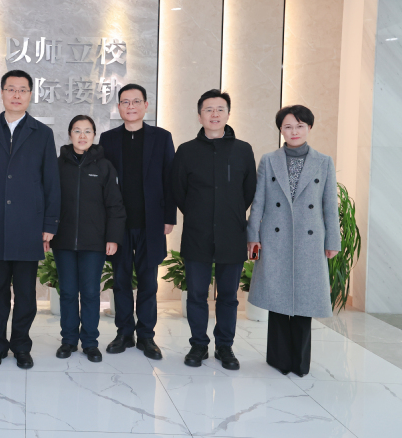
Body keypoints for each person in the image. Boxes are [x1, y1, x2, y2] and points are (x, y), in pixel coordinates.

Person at [0, 69, 61, 370]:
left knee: (25, 294)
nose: (17, 95)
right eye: (11, 89)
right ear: (2, 93)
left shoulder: (42, 133)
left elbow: (51, 182)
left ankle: (21, 345)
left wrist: (49, 225)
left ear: (30, 95)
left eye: (22, 90)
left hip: (28, 226)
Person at [247, 105, 340, 377]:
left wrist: (332, 240)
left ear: (309, 127)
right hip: (275, 238)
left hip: (310, 240)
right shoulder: (269, 160)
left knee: (304, 302)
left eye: (300, 126)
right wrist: (253, 236)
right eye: (288, 127)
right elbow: (258, 202)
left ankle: (299, 362)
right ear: (281, 130)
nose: (294, 131)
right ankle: (278, 359)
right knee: (277, 300)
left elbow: (329, 206)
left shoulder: (324, 162)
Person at [172, 89, 256, 370]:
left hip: (232, 234)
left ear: (228, 114)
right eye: (208, 109)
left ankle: (224, 346)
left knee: (228, 296)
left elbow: (249, 191)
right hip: (197, 234)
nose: (215, 114)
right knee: (196, 294)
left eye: (220, 109)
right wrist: (199, 213)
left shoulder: (243, 150)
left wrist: (231, 213)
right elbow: (179, 191)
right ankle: (198, 345)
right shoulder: (186, 151)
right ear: (199, 116)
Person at [99, 83, 177, 360]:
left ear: (146, 105)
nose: (130, 106)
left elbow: (170, 178)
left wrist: (169, 217)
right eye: (125, 102)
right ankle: (124, 333)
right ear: (118, 107)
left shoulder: (162, 137)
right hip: (118, 224)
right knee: (120, 281)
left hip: (151, 222)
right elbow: (103, 184)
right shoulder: (108, 139)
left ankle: (146, 335)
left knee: (148, 283)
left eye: (136, 101)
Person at [50, 115, 125, 363]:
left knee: (91, 293)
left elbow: (115, 205)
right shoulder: (57, 165)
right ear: (69, 134)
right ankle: (69, 340)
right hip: (63, 241)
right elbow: (48, 201)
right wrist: (46, 231)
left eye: (87, 131)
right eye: (77, 131)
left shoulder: (104, 167)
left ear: (94, 135)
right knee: (68, 292)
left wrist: (113, 237)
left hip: (95, 242)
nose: (82, 136)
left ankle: (90, 343)